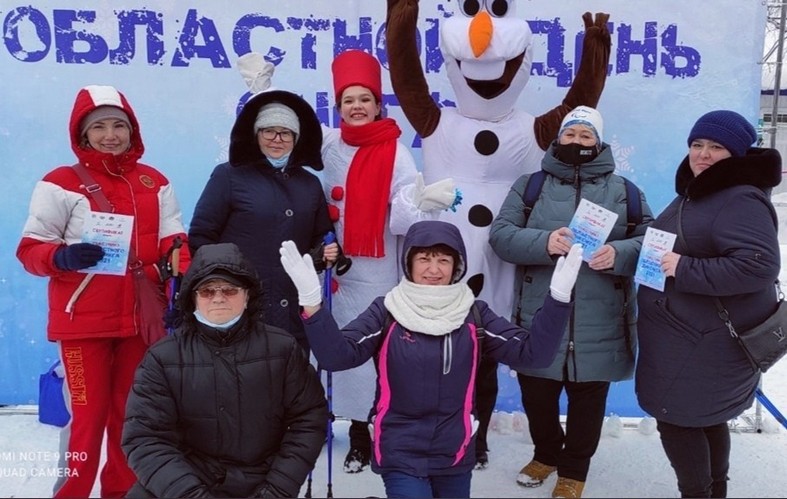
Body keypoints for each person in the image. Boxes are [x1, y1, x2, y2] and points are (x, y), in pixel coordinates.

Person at [279, 220, 583, 498]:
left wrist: (558, 299)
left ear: (457, 266)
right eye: (424, 258)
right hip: (400, 449)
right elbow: (337, 356)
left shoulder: (474, 314)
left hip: (454, 450)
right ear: (409, 263)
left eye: (444, 260)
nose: (434, 269)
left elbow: (534, 354)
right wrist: (312, 303)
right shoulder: (387, 311)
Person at [16, 84, 191, 498]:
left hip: (140, 321)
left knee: (131, 417)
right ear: (82, 134)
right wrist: (62, 257)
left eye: (119, 125)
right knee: (86, 419)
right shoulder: (60, 183)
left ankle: (121, 493)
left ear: (133, 130)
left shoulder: (154, 181)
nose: (110, 135)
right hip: (83, 324)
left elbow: (174, 239)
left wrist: (178, 265)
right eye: (99, 127)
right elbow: (29, 250)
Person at [489, 105, 654, 498]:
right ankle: (546, 454)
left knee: (588, 403)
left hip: (601, 319)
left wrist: (619, 253)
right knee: (537, 395)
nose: (577, 140)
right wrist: (545, 242)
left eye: (585, 135)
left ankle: (574, 471)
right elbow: (501, 236)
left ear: (598, 142)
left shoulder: (626, 191)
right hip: (540, 316)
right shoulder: (530, 186)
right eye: (570, 133)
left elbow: (650, 242)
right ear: (558, 137)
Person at [320, 49, 458, 474]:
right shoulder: (328, 144)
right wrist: (261, 91)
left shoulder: (395, 152)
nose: (357, 107)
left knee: (364, 354)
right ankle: (319, 420)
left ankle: (361, 432)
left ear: (378, 105)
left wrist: (419, 202)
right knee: (321, 345)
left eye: (365, 99)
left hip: (374, 271)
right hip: (328, 267)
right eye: (349, 100)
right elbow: (280, 134)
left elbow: (402, 220)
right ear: (339, 107)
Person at [635, 110, 782, 498]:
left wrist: (685, 269)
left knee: (678, 421)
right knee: (705, 419)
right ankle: (714, 492)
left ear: (736, 153)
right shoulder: (701, 191)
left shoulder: (738, 197)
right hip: (687, 339)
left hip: (702, 343)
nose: (703, 154)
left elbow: (759, 265)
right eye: (697, 144)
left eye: (717, 147)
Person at [122, 242, 328, 498]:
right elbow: (145, 438)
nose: (218, 298)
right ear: (192, 299)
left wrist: (276, 490)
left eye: (230, 290)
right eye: (207, 291)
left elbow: (308, 420)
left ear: (247, 295)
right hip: (186, 482)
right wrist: (190, 495)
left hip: (262, 482)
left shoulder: (282, 349)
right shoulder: (163, 358)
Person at [188, 55, 338, 354]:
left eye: (286, 133)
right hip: (241, 307)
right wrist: (225, 284)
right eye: (269, 131)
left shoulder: (309, 184)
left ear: (296, 138)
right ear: (256, 134)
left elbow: (320, 237)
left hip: (294, 308)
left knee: (291, 376)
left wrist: (324, 253)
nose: (277, 139)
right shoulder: (229, 176)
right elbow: (202, 237)